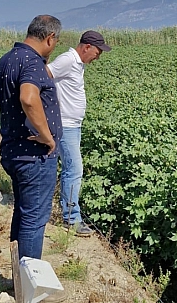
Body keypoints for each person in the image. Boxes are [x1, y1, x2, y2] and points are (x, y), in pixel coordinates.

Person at [0, 14, 62, 259]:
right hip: (33, 156)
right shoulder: (32, 62)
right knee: (34, 220)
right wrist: (47, 137)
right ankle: (31, 286)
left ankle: (20, 278)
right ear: (50, 37)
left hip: (14, 151)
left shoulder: (8, 59)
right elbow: (28, 98)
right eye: (56, 42)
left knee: (23, 214)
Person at [47, 30, 111, 236]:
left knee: (70, 168)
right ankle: (71, 219)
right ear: (86, 47)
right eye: (97, 52)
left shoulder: (78, 63)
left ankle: (67, 214)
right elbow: (44, 75)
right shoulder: (67, 60)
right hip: (65, 125)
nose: (98, 57)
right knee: (74, 169)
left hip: (73, 124)